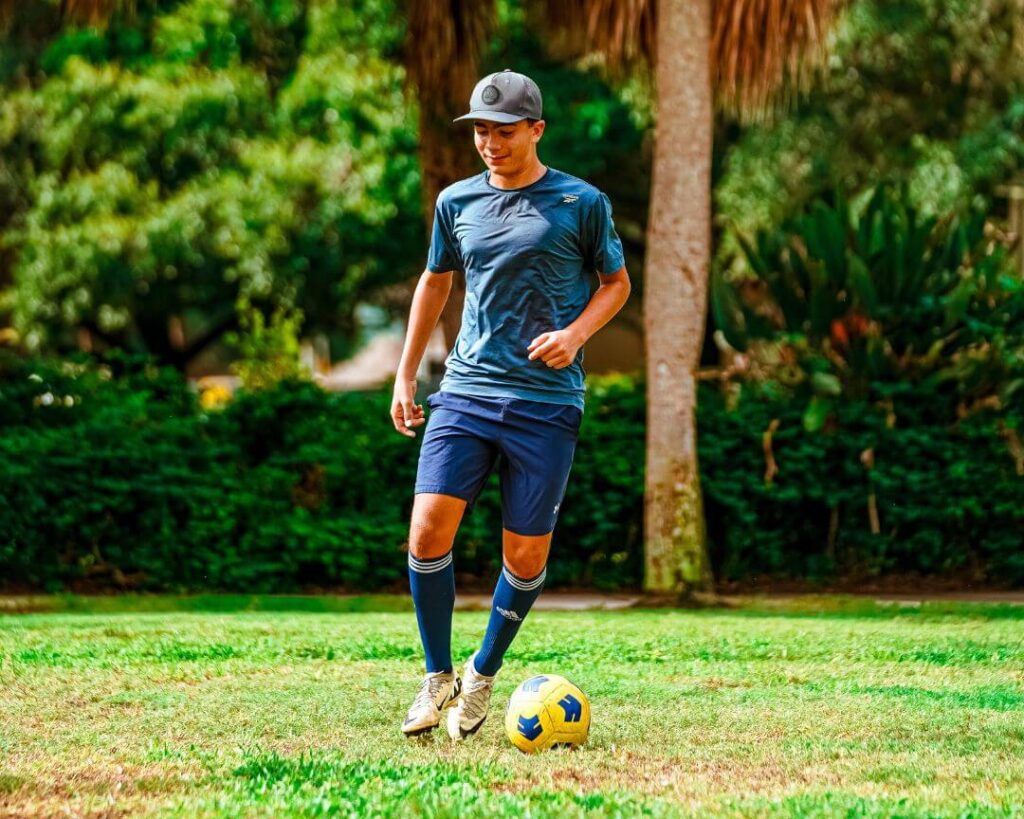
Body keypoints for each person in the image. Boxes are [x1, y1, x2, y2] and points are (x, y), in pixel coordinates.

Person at [391, 69, 631, 741]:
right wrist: (405, 376)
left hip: (546, 402)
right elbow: (435, 283)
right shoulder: (456, 203)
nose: (490, 143)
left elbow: (617, 284)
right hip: (465, 391)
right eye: (481, 132)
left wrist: (576, 334)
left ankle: (483, 672)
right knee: (426, 531)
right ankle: (437, 674)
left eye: (503, 131)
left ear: (535, 130)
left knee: (524, 557)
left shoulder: (581, 202)